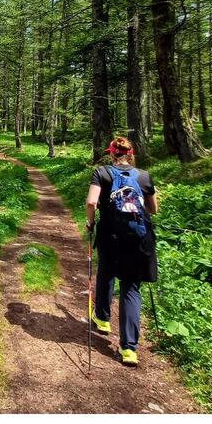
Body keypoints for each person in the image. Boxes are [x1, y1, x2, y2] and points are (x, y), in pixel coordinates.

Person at [85, 136, 158, 366]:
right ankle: (129, 349)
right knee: (131, 287)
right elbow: (153, 209)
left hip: (110, 236)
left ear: (112, 154)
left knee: (106, 273)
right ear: (131, 153)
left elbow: (91, 202)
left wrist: (90, 223)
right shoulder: (144, 176)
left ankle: (103, 319)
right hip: (139, 238)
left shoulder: (102, 173)